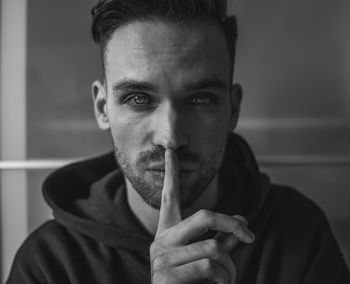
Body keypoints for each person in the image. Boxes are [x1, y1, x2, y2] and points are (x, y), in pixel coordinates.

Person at [7, 0, 350, 283]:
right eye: (139, 99)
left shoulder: (298, 231)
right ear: (102, 108)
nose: (170, 137)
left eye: (200, 99)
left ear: (233, 110)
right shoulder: (49, 264)